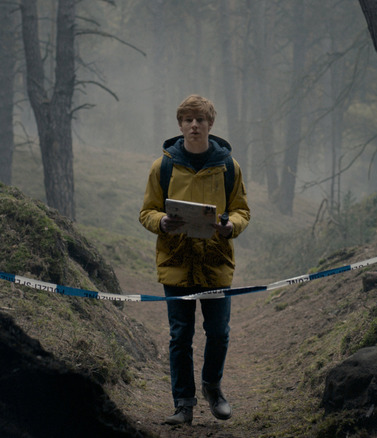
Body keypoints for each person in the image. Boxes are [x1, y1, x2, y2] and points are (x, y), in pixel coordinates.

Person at [139, 95, 250, 425]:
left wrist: (231, 226)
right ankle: (183, 404)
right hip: (176, 262)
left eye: (200, 119)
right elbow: (147, 211)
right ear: (180, 125)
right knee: (180, 337)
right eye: (188, 119)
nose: (194, 125)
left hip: (215, 263)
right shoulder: (163, 167)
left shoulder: (229, 167)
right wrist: (161, 222)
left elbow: (242, 211)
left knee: (218, 333)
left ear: (210, 124)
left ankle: (213, 388)